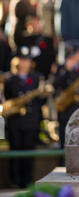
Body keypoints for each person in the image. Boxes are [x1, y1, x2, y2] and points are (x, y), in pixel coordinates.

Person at [4, 46, 43, 188]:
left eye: (27, 60)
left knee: (28, 153)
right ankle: (15, 181)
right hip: (15, 122)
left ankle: (27, 181)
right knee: (15, 153)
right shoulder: (11, 80)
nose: (25, 63)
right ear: (18, 61)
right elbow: (8, 98)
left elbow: (41, 100)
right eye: (22, 60)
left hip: (31, 122)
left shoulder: (37, 78)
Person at [53, 46, 79, 152]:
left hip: (77, 107)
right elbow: (55, 83)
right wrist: (67, 71)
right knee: (63, 138)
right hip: (64, 109)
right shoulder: (61, 68)